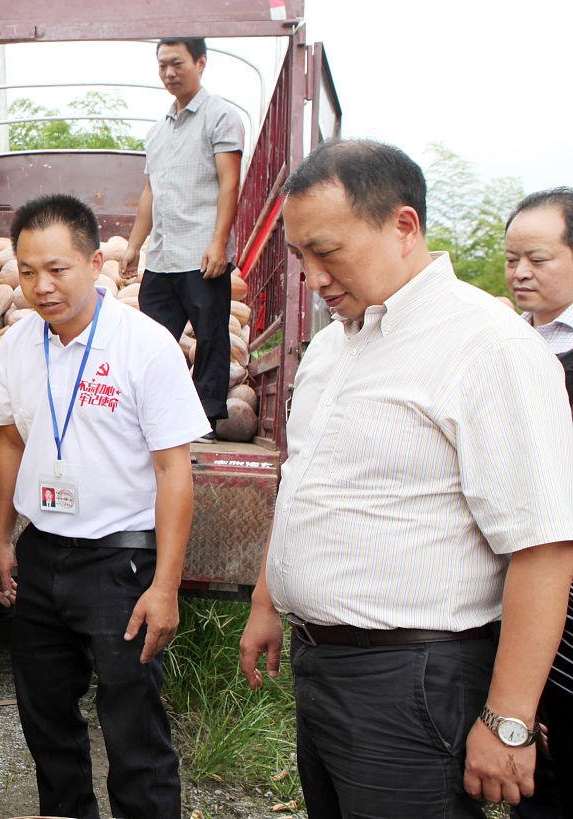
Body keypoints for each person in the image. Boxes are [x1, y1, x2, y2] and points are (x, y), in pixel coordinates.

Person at [238, 140, 573, 815]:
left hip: (415, 678)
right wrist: (268, 600)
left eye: (327, 250)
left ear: (403, 226)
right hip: (322, 665)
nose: (313, 276)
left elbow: (543, 544)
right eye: (301, 255)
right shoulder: (335, 343)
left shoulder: (488, 344)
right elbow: (309, 483)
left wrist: (508, 719)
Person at [0, 194, 207, 818]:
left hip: (122, 562)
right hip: (43, 552)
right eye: (27, 272)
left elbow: (174, 470)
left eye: (57, 269)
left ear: (94, 261)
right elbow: (9, 442)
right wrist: (1, 541)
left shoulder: (145, 344)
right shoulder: (19, 344)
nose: (41, 286)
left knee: (133, 724)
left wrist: (166, 584)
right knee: (46, 718)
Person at [122, 37, 243, 437]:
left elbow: (229, 183)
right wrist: (134, 246)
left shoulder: (220, 117)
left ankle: (206, 418)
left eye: (178, 63)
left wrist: (218, 242)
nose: (169, 73)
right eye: (162, 66)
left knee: (210, 335)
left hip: (201, 252)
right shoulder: (157, 132)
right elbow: (150, 194)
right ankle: (146, 412)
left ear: (201, 62)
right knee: (150, 341)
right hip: (161, 256)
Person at [503, 187, 573, 818]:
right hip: (526, 584)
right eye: (511, 258)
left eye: (539, 258)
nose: (521, 271)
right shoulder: (500, 344)